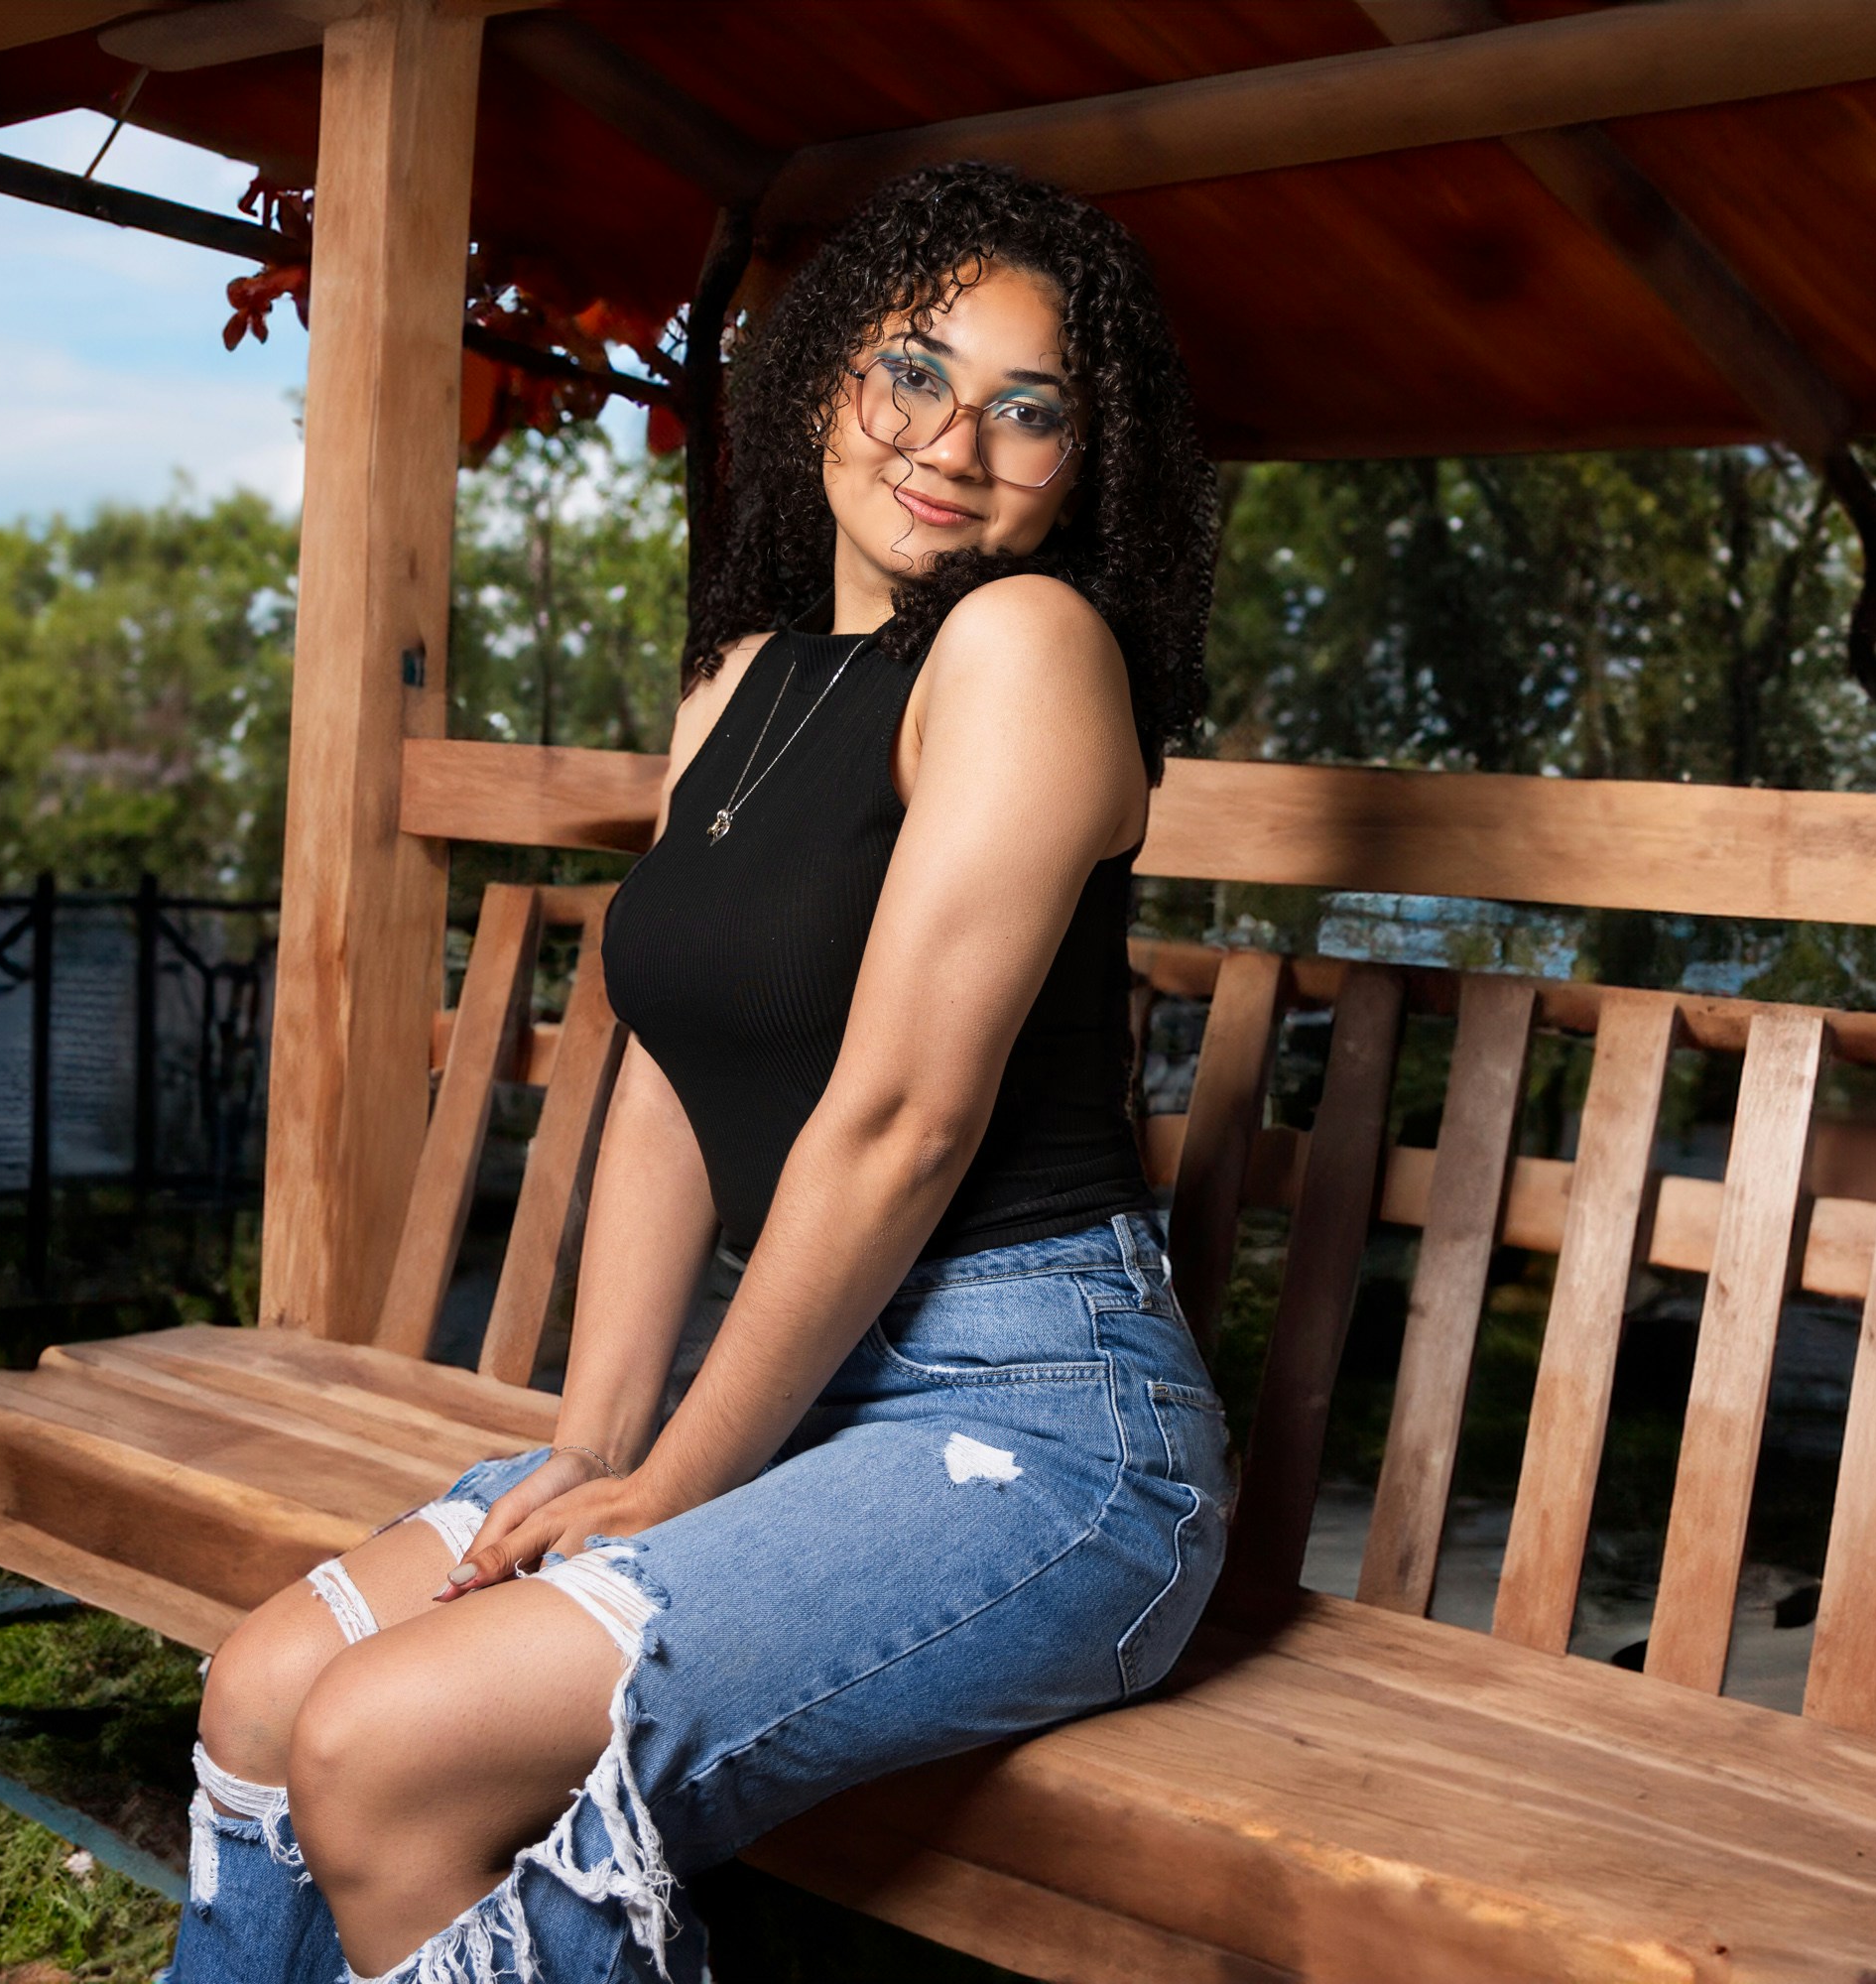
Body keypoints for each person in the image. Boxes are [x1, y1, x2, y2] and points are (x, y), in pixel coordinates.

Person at [168, 158, 1230, 1984]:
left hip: (1041, 1428)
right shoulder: (741, 685)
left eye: (1028, 408)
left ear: (1092, 462)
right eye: (914, 370)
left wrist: (669, 1482)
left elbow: (901, 1126)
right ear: (828, 379)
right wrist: (598, 1430)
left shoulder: (1030, 649)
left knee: (383, 1746)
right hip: (804, 1385)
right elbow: (663, 1068)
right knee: (273, 1689)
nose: (952, 439)